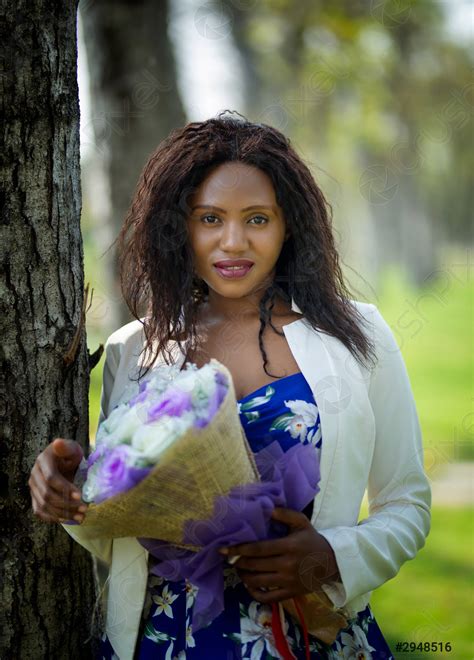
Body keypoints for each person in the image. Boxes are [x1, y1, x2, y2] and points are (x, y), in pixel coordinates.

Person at [29, 111, 431, 660]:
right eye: (210, 218)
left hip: (310, 637)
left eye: (258, 219)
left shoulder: (357, 337)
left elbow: (407, 504)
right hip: (167, 639)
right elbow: (118, 530)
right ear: (179, 227)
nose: (233, 242)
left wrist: (334, 556)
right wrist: (71, 490)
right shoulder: (134, 349)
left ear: (289, 225)